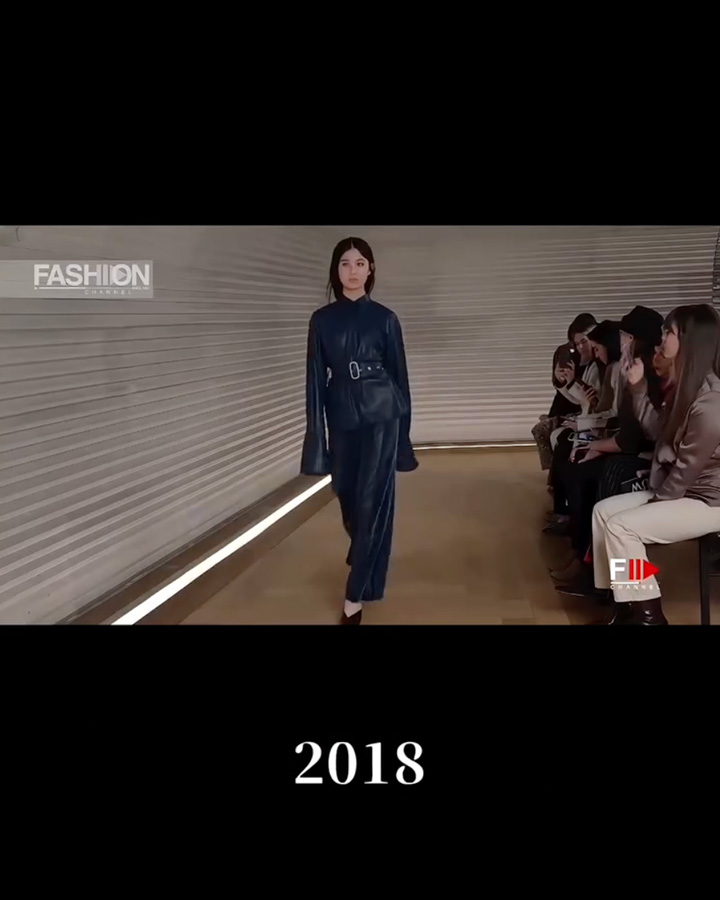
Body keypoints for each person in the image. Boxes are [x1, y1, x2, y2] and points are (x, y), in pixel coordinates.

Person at [300, 237, 419, 625]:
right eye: (345, 263)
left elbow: (401, 379)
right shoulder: (322, 320)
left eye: (360, 263)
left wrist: (404, 439)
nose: (353, 270)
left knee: (371, 502)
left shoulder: (385, 318)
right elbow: (314, 382)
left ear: (370, 270)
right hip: (341, 416)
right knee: (347, 497)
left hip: (383, 414)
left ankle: (354, 596)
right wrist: (316, 441)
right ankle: (367, 551)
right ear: (336, 270)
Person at [590, 303, 720, 625]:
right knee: (603, 512)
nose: (661, 339)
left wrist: (653, 505)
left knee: (622, 526)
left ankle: (649, 617)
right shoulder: (687, 388)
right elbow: (658, 435)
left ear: (688, 339)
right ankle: (625, 604)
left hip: (710, 500)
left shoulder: (711, 401)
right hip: (687, 491)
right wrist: (637, 389)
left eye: (668, 333)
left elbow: (686, 470)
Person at [552, 306, 664, 587]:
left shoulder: (652, 377)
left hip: (675, 479)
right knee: (587, 475)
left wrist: (601, 445)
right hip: (654, 461)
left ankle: (612, 581)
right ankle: (597, 570)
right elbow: (634, 431)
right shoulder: (636, 372)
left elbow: (644, 435)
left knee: (602, 486)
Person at [532, 313, 598, 473]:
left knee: (552, 433)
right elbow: (567, 393)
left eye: (584, 341)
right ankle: (552, 470)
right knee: (543, 430)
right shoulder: (569, 355)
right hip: (567, 409)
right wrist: (561, 381)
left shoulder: (598, 365)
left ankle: (556, 472)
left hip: (584, 414)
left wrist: (571, 382)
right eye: (576, 343)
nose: (580, 347)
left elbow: (588, 399)